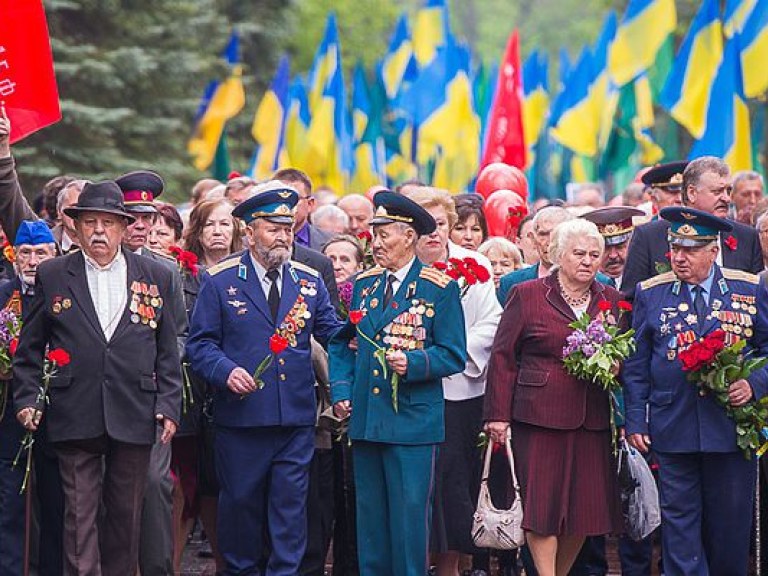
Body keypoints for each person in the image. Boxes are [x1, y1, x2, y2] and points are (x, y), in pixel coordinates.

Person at [13, 181, 182, 575]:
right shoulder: (54, 273)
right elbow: (30, 348)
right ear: (76, 227)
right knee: (78, 519)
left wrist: (169, 404)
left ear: (124, 228)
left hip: (135, 409)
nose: (99, 231)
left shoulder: (155, 274)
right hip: (74, 411)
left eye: (108, 222)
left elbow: (167, 350)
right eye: (90, 222)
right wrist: (27, 399)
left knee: (126, 519)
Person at [186, 182, 341, 575]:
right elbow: (200, 346)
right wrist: (227, 371)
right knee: (240, 511)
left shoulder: (308, 280)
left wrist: (363, 329)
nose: (283, 237)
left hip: (295, 420)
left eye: (287, 228)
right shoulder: (219, 281)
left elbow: (333, 336)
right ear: (250, 232)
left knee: (290, 515)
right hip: (241, 420)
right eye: (273, 228)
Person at [624, 206, 768, 576]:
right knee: (679, 527)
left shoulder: (747, 288)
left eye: (690, 250)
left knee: (729, 529)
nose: (679, 257)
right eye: (675, 248)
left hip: (732, 429)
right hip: (674, 426)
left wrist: (753, 384)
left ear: (713, 251)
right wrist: (637, 420)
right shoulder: (651, 292)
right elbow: (637, 364)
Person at [329, 191, 467, 576]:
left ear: (409, 236)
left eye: (384, 234)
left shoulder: (438, 287)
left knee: (408, 522)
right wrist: (340, 391)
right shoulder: (365, 285)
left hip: (411, 422)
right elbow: (341, 341)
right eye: (375, 233)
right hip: (369, 420)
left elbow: (454, 353)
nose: (376, 243)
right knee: (370, 521)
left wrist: (416, 362)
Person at [484, 218, 624, 576]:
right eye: (579, 253)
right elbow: (502, 356)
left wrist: (615, 368)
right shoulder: (528, 294)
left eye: (595, 254)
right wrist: (497, 416)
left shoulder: (611, 299)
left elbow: (625, 356)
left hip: (591, 418)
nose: (588, 261)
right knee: (542, 510)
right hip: (538, 416)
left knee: (583, 512)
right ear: (559, 254)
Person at [403, 186, 501, 576]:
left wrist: (448, 354)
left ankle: (450, 567)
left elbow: (490, 322)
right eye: (422, 225)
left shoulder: (474, 266)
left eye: (440, 223)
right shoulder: (401, 268)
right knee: (417, 488)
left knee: (454, 487)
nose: (432, 233)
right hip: (411, 392)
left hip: (460, 393)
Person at [0, 221, 63, 576]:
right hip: (10, 410)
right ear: (14, 256)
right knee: (11, 499)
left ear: (54, 255)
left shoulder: (65, 292)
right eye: (25, 252)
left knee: (56, 499)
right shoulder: (3, 294)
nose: (32, 260)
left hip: (58, 410)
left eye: (41, 253)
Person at [622, 157, 763, 298]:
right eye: (717, 191)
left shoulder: (747, 237)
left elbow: (758, 299)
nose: (726, 198)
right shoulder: (649, 236)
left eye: (728, 191)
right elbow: (631, 301)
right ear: (692, 193)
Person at [498, 208, 615, 305]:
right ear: (533, 239)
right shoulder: (512, 283)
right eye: (544, 234)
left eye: (559, 234)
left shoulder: (603, 284)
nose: (550, 241)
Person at [581, 207, 645, 289]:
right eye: (606, 248)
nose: (613, 255)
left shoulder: (643, 283)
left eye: (620, 246)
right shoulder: (584, 287)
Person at [274, 168, 332, 251]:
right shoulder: (255, 242)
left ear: (310, 204)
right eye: (279, 198)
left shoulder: (330, 242)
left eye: (294, 199)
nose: (286, 206)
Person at [183, 198, 243, 268]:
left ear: (235, 229)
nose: (217, 231)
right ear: (197, 232)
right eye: (209, 224)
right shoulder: (185, 271)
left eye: (224, 224)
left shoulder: (247, 267)